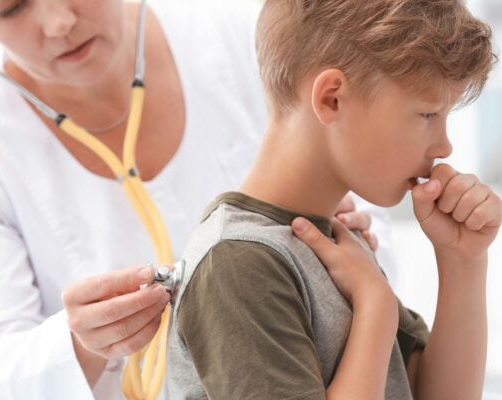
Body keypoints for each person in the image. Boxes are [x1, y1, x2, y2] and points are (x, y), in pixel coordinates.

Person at [0, 0, 388, 398]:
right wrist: (81, 344)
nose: (59, 22)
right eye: (11, 8)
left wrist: (345, 229)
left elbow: (361, 185)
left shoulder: (246, 35)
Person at [166, 0, 501, 399]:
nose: (444, 147)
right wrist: (375, 310)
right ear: (331, 99)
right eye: (428, 115)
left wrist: (462, 261)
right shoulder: (238, 264)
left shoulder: (338, 246)